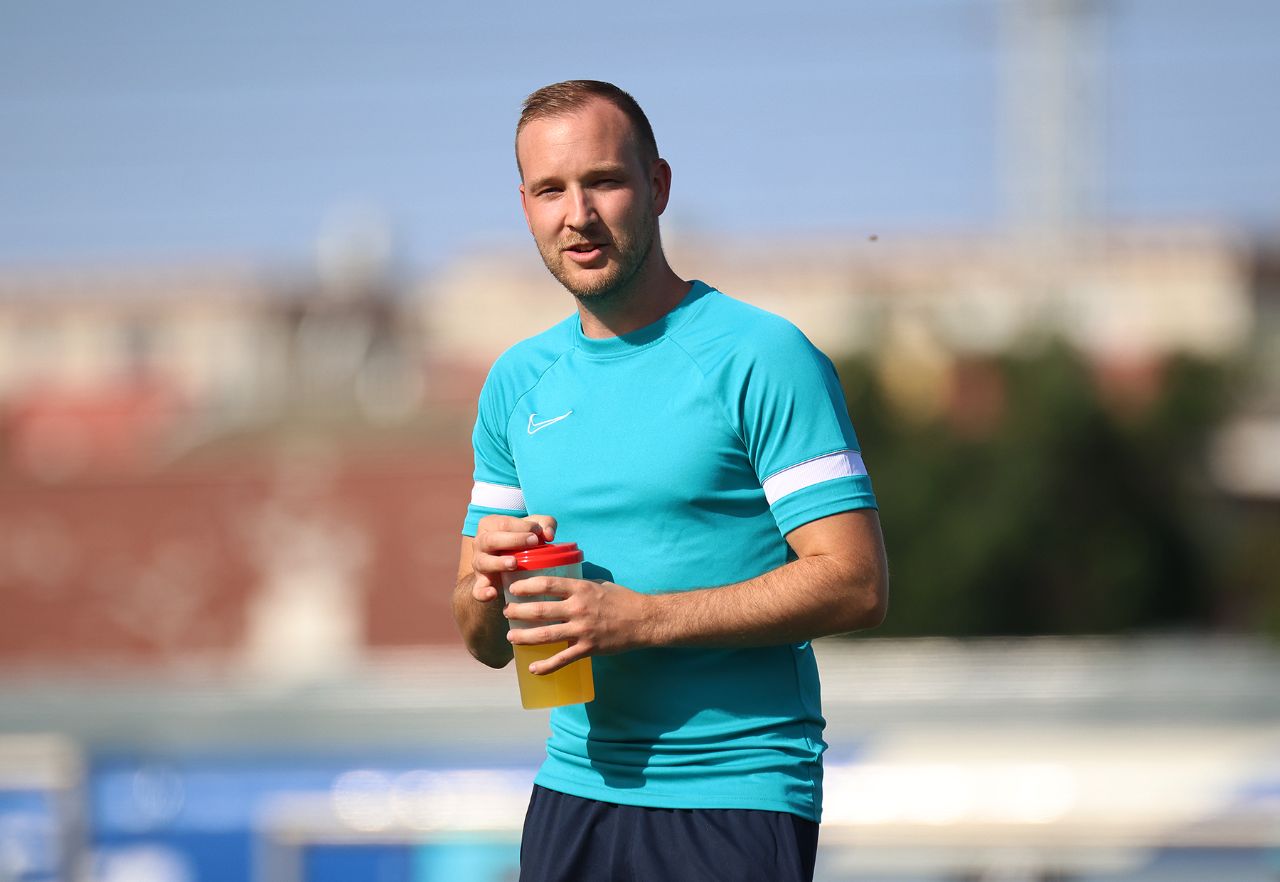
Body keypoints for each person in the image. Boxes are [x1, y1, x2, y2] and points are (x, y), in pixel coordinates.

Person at [453, 79, 888, 882]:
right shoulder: (516, 382)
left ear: (657, 186)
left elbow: (856, 584)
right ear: (525, 207)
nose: (578, 215)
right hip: (572, 792)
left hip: (735, 794)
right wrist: (484, 585)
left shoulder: (764, 355)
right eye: (551, 190)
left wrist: (641, 620)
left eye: (604, 181)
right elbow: (483, 645)